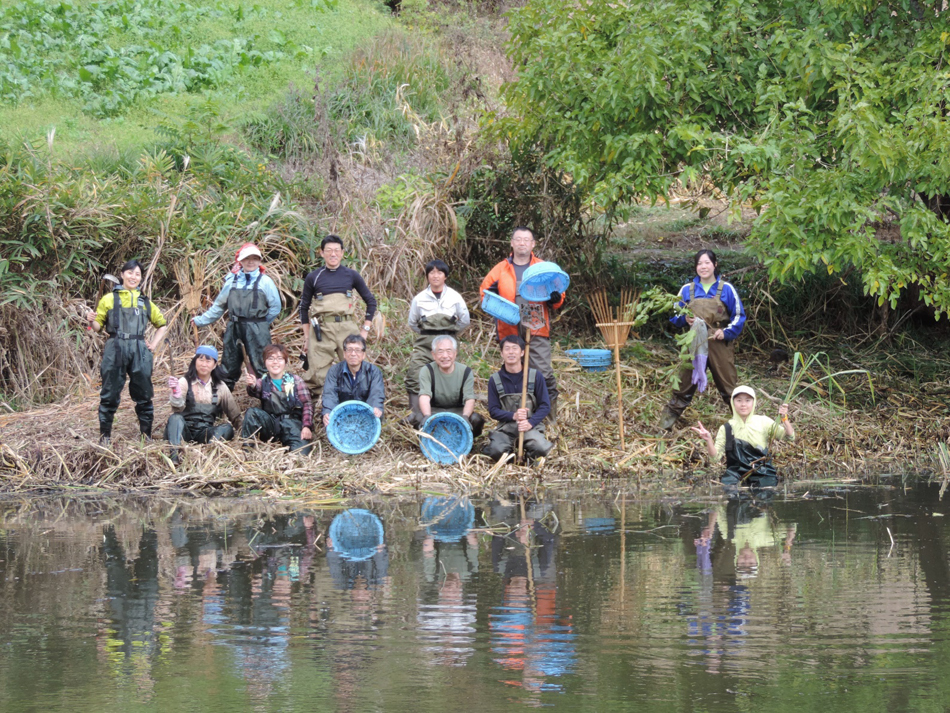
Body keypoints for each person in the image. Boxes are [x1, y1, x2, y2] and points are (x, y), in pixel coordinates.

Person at [479, 227, 566, 421]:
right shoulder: (501, 268)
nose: (522, 243)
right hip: (509, 327)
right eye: (518, 239)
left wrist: (554, 299)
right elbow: (484, 293)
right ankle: (515, 418)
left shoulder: (543, 268)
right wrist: (493, 294)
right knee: (514, 372)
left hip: (536, 327)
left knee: (543, 373)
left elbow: (559, 294)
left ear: (533, 244)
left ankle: (548, 420)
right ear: (511, 243)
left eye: (526, 240)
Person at [660, 249, 746, 430]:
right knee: (684, 382)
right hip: (693, 342)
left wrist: (726, 332)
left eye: (707, 262)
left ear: (715, 265)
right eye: (699, 263)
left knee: (728, 385)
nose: (703, 267)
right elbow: (674, 314)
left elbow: (739, 316)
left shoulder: (726, 289)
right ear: (695, 267)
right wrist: (685, 319)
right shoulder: (686, 290)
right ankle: (665, 425)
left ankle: (745, 425)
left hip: (717, 342)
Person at [85, 259, 168, 445]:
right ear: (122, 275)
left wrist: (153, 344)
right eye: (130, 272)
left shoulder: (145, 302)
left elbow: (162, 325)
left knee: (144, 394)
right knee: (109, 393)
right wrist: (91, 320)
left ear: (140, 278)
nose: (133, 277)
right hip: (115, 347)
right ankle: (104, 437)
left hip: (140, 349)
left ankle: (145, 436)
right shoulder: (109, 299)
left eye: (137, 274)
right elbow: (97, 327)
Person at [192, 243, 281, 391]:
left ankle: (269, 400)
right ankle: (222, 401)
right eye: (247, 258)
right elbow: (219, 306)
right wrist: (200, 321)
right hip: (234, 328)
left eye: (255, 258)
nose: (251, 262)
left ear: (259, 261)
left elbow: (275, 308)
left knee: (262, 365)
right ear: (241, 261)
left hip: (258, 329)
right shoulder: (231, 281)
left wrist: (261, 325)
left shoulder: (266, 282)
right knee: (228, 365)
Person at [299, 235, 378, 397]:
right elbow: (304, 308)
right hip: (321, 330)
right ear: (321, 253)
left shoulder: (351, 275)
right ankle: (322, 407)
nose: (333, 254)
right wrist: (307, 337)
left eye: (336, 250)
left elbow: (371, 301)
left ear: (342, 253)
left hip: (347, 328)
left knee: (356, 368)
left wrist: (365, 331)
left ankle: (357, 402)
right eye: (328, 250)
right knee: (317, 373)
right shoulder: (313, 277)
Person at [691, 386, 795, 487]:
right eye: (739, 400)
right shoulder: (726, 428)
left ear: (753, 403)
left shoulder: (764, 421)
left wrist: (784, 418)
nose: (743, 404)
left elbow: (790, 437)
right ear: (733, 403)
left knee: (764, 494)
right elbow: (715, 458)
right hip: (736, 474)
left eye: (747, 400)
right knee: (730, 490)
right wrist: (709, 440)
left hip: (762, 472)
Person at [406, 259, 470, 415]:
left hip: (448, 343)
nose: (435, 276)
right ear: (427, 276)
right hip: (425, 344)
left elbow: (465, 321)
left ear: (445, 276)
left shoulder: (455, 297)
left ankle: (452, 413)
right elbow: (412, 323)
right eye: (431, 272)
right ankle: (416, 415)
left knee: (449, 375)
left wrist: (449, 337)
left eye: (439, 272)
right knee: (415, 374)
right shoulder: (419, 298)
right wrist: (429, 335)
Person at [164, 345, 243, 465]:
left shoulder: (220, 387)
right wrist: (176, 393)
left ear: (214, 365)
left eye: (208, 360)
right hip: (184, 431)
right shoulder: (184, 382)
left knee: (227, 428)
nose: (204, 364)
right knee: (175, 418)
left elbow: (234, 415)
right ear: (195, 361)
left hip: (205, 433)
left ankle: (208, 452)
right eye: (200, 359)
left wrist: (245, 434)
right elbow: (177, 408)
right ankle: (174, 455)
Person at [483, 335, 553, 462]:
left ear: (522, 352)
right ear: (501, 353)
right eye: (507, 349)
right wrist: (513, 416)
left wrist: (530, 423)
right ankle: (510, 456)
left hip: (530, 426)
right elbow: (493, 410)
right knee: (495, 451)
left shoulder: (535, 376)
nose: (511, 352)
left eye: (515, 348)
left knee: (541, 448)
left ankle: (529, 459)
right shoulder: (495, 380)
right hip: (506, 428)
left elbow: (545, 406)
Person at [242, 343, 313, 455]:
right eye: (270, 359)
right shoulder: (263, 381)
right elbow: (254, 390)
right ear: (265, 362)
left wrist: (306, 426)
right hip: (271, 424)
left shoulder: (296, 381)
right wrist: (252, 384)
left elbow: (307, 404)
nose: (275, 362)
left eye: (279, 358)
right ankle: (247, 450)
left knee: (301, 453)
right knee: (252, 413)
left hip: (291, 424)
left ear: (285, 362)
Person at [409, 335, 484, 436]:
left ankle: (466, 443)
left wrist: (465, 417)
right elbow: (424, 396)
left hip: (458, 412)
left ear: (455, 353)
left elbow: (469, 398)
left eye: (449, 351)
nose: (445, 356)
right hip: (435, 411)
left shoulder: (465, 371)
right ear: (433, 355)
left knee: (476, 419)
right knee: (417, 418)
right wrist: (427, 416)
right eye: (440, 352)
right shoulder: (427, 370)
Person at [321, 335, 385, 426]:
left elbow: (376, 394)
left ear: (364, 355)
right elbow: (329, 394)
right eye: (349, 350)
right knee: (329, 419)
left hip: (366, 415)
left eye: (357, 350)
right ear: (344, 354)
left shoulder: (373, 371)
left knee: (376, 415)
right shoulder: (334, 371)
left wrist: (375, 408)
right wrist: (328, 412)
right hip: (342, 415)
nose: (353, 354)